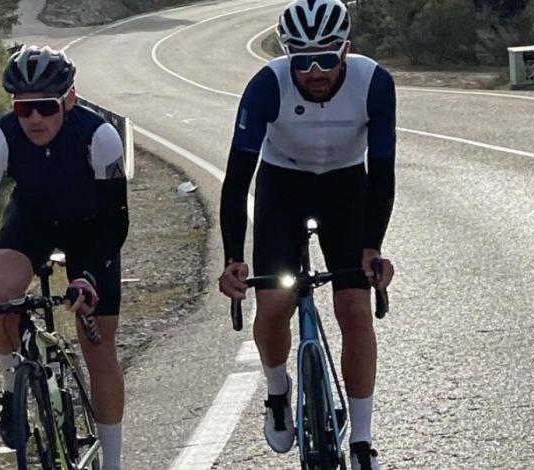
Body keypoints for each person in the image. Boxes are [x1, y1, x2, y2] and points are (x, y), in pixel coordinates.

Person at [218, 1, 396, 468]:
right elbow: (237, 181)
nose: (314, 71)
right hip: (283, 190)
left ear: (346, 51)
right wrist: (233, 258)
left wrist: (372, 247)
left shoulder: (373, 83)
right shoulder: (265, 87)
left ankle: (361, 441)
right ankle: (278, 393)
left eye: (326, 58)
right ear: (286, 56)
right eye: (302, 60)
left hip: (347, 191)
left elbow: (382, 173)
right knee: (274, 303)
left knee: (354, 309)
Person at [0, 45, 128, 470]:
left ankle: (113, 462)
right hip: (33, 222)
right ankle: (11, 388)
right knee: (1, 290)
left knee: (99, 347)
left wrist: (90, 276)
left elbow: (116, 223)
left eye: (45, 107)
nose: (35, 119)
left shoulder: (100, 137)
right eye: (25, 110)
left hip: (91, 230)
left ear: (70, 100)